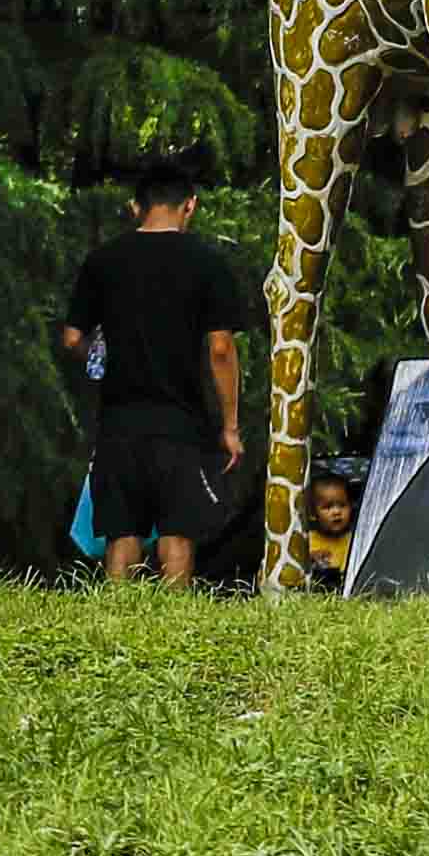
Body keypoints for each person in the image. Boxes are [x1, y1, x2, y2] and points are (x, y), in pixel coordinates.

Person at [56, 157, 254, 585]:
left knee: (121, 533)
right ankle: (174, 631)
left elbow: (73, 338)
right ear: (191, 206)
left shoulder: (103, 261)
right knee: (177, 533)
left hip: (119, 421)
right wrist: (230, 426)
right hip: (180, 422)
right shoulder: (207, 263)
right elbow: (221, 348)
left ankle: (115, 627)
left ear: (135, 207)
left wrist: (101, 355)